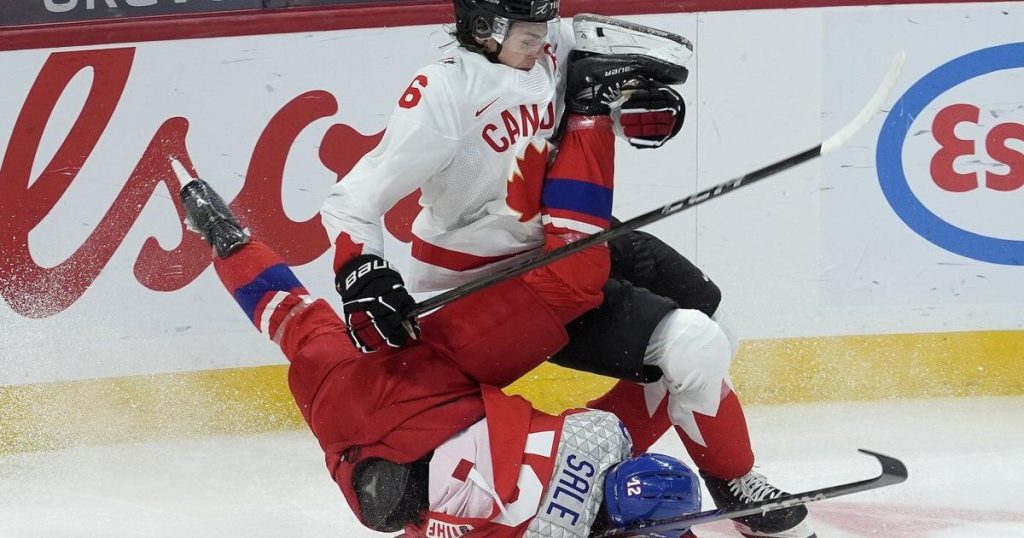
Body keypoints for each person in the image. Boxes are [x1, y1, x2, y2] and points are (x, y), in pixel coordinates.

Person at [319, 2, 814, 538]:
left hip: (565, 240)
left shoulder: (556, 41)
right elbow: (350, 201)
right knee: (693, 344)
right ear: (483, 27)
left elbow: (593, 119)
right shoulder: (443, 93)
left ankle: (661, 473)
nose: (541, 38)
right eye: (525, 31)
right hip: (483, 286)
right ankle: (680, 477)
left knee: (711, 329)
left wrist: (640, 113)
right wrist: (360, 269)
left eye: (542, 22)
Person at [172, 159, 703, 537]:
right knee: (297, 322)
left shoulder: (602, 439)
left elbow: (626, 416)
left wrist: (679, 372)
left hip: (416, 392)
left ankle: (228, 239)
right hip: (360, 451)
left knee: (294, 317)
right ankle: (231, 242)